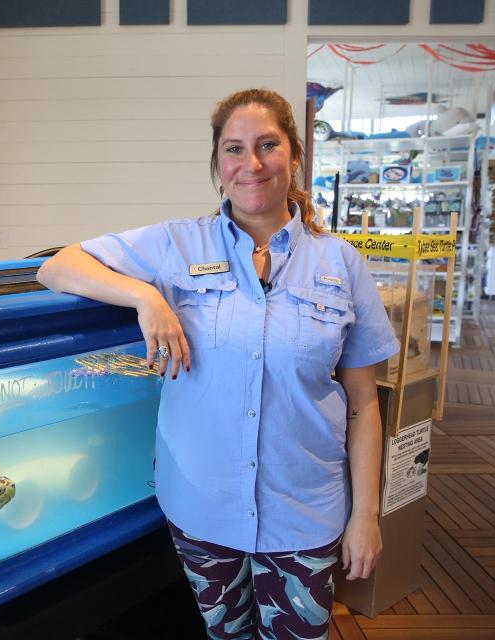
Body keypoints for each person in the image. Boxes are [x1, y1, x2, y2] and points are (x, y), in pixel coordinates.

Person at [37, 88, 399, 639]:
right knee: (223, 635)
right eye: (234, 149)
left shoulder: (340, 263)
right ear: (217, 164)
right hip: (204, 510)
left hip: (305, 511)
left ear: (294, 156)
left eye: (267, 145)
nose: (250, 164)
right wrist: (146, 297)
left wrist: (366, 516)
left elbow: (364, 406)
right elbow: (58, 266)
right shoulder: (175, 245)